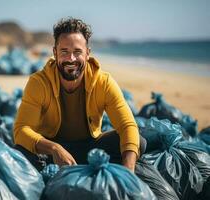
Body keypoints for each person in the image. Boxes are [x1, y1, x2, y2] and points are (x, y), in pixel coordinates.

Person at [13, 17, 146, 172]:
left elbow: (127, 126)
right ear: (55, 52)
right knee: (20, 152)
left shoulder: (103, 82)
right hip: (52, 153)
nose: (71, 59)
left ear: (87, 53)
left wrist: (128, 171)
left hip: (91, 148)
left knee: (138, 143)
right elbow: (21, 130)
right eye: (64, 52)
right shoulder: (39, 83)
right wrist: (54, 148)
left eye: (77, 52)